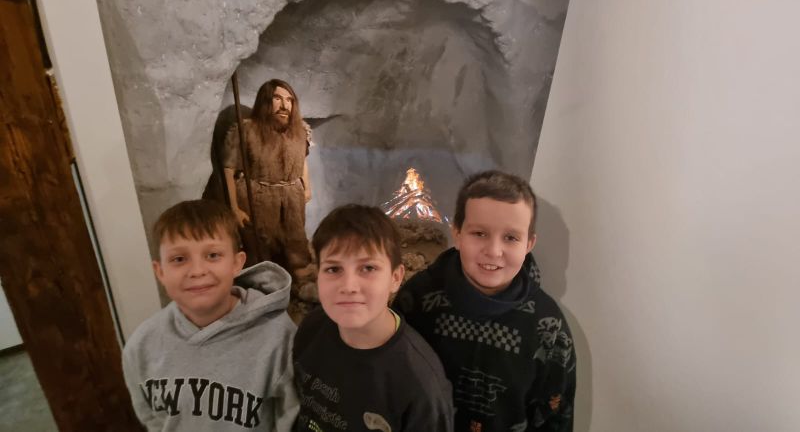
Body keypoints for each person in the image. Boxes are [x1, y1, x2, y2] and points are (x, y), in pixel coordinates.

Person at [393, 170, 576, 432]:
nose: (493, 251)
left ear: (528, 243)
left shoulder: (549, 327)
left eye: (511, 237)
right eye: (479, 233)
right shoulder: (417, 298)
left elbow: (556, 417)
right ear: (457, 234)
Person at [122, 199, 298, 431]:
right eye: (179, 259)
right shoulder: (141, 345)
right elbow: (151, 418)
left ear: (236, 263)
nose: (197, 271)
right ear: (160, 271)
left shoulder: (278, 336)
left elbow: (290, 415)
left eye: (213, 255)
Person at [292, 205, 454, 432]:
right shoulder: (312, 328)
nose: (349, 286)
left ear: (395, 278)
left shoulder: (419, 385)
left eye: (368, 268)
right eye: (333, 269)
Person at [220, 79, 312, 273]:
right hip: (257, 198)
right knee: (259, 250)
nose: (284, 105)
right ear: (265, 101)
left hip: (292, 199)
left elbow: (303, 158)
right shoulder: (246, 130)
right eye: (277, 98)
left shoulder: (300, 130)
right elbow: (229, 168)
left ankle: (299, 279)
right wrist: (234, 208)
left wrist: (307, 188)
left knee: (296, 247)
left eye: (289, 100)